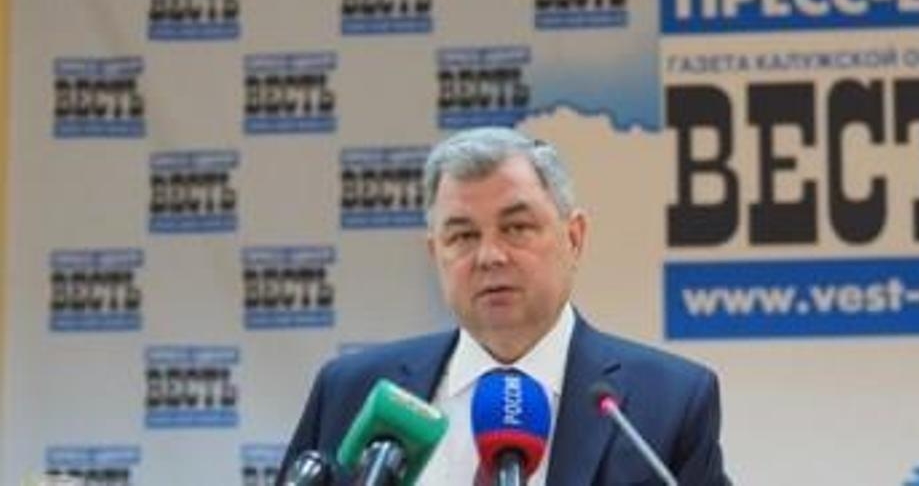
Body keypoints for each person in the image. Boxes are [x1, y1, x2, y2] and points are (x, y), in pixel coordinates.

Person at [280, 127, 729, 485]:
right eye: (463, 235)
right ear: (435, 253)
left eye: (516, 228)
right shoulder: (351, 391)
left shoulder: (667, 402)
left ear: (573, 238)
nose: (490, 256)